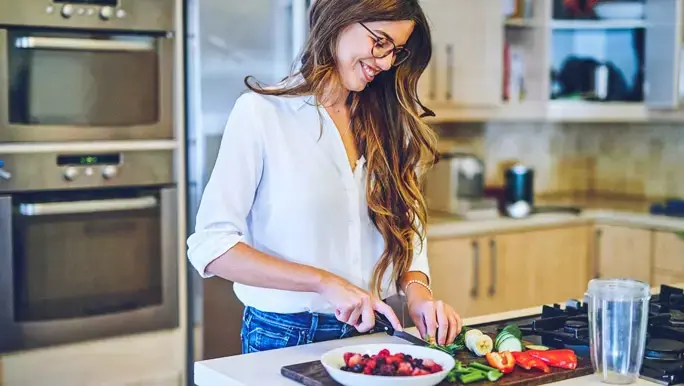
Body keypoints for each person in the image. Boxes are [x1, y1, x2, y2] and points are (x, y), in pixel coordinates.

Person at [187, 0, 462, 355]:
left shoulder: (389, 123)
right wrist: (323, 283)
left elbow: (408, 228)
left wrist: (419, 295)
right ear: (340, 19)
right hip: (284, 336)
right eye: (379, 42)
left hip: (374, 334)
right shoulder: (261, 114)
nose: (386, 62)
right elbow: (212, 247)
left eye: (396, 51)